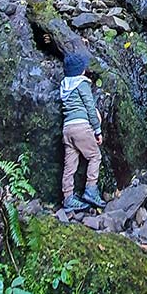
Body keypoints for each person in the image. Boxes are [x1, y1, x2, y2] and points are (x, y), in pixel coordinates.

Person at [59, 52, 106, 211]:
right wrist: (97, 131)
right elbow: (90, 108)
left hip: (67, 129)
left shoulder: (64, 86)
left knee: (70, 166)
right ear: (80, 70)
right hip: (81, 127)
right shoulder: (82, 84)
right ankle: (91, 190)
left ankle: (68, 198)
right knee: (95, 156)